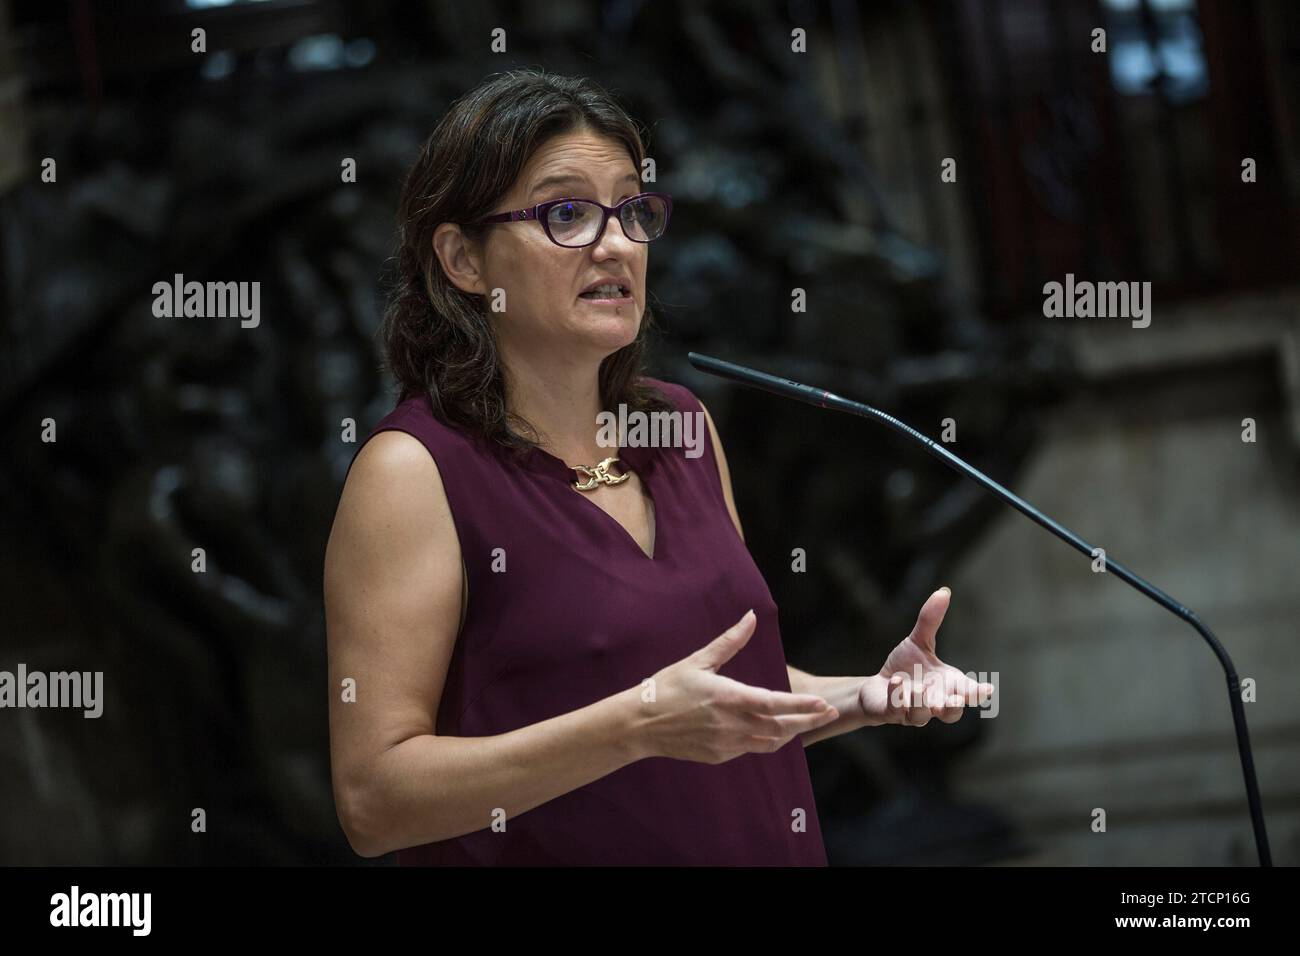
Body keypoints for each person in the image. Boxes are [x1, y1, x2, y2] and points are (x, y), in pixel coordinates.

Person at [323, 68, 992, 865]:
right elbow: (374, 800)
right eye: (566, 213)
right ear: (463, 259)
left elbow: (729, 699)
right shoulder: (416, 472)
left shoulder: (683, 429)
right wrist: (634, 726)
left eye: (633, 210)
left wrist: (865, 697)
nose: (615, 243)